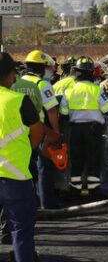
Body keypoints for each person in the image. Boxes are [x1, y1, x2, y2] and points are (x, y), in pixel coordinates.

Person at [0, 52, 44, 262]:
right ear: (9, 75)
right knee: (21, 231)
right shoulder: (19, 100)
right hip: (15, 177)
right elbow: (37, 131)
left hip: (12, 177)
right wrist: (26, 149)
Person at [59, 57, 108, 195]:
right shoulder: (97, 90)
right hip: (93, 130)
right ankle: (94, 190)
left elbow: (63, 113)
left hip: (75, 130)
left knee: (76, 160)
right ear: (91, 73)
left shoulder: (69, 91)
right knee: (93, 159)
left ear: (76, 72)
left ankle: (75, 190)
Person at [23, 50, 61, 209]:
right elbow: (51, 111)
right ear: (41, 67)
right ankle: (47, 203)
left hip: (21, 132)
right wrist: (57, 133)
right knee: (45, 166)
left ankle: (29, 203)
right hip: (41, 131)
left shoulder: (20, 81)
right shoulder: (42, 84)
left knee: (26, 168)